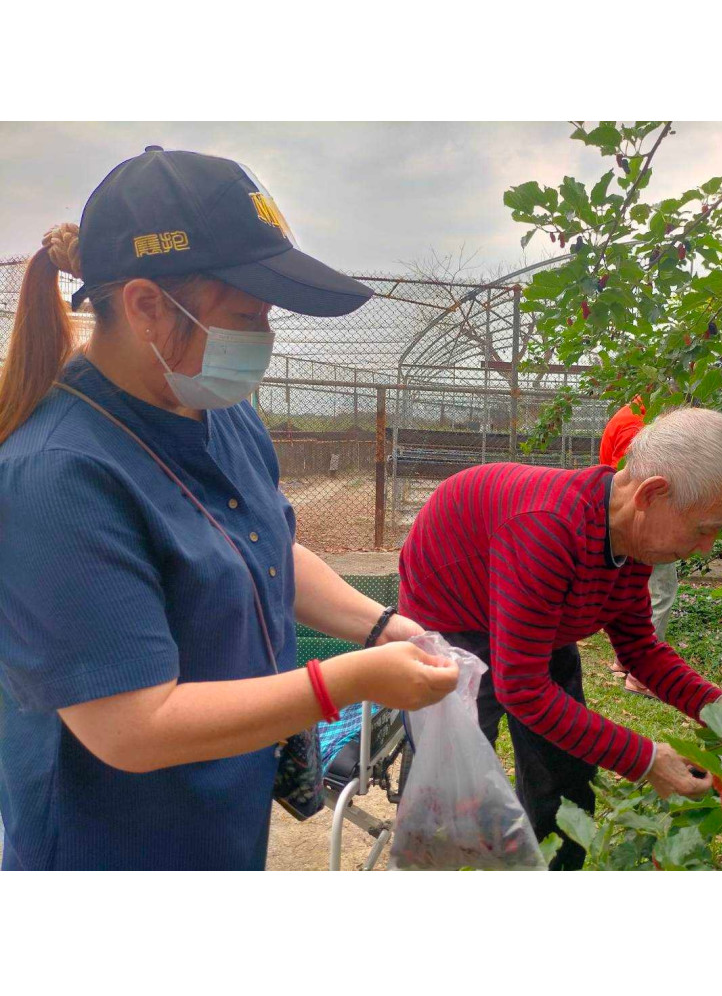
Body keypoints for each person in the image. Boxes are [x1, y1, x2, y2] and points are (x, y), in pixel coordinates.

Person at [0, 148, 458, 871]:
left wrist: (382, 625)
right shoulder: (55, 476)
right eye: (246, 314)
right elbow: (131, 729)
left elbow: (268, 545)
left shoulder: (218, 410)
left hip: (221, 806)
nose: (263, 338)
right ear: (147, 303)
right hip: (111, 842)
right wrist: (349, 680)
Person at [398, 407, 722, 869]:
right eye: (706, 528)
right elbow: (523, 688)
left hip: (537, 618)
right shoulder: (547, 529)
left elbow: (639, 648)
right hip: (455, 619)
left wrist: (719, 707)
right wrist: (646, 758)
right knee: (450, 774)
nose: (707, 546)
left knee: (565, 775)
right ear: (652, 495)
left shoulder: (634, 538)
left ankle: (556, 868)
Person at [599, 398, 679, 696]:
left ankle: (625, 660)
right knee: (660, 589)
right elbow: (635, 479)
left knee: (635, 591)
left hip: (625, 520)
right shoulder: (639, 425)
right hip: (645, 520)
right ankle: (641, 674)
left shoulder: (626, 415)